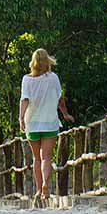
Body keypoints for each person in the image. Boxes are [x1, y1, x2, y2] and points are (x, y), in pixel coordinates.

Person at [19, 49, 74, 198]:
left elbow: (24, 100)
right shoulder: (53, 78)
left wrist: (21, 119)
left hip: (33, 124)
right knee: (46, 157)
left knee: (37, 158)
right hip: (50, 123)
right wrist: (65, 114)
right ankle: (46, 187)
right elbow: (60, 99)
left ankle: (38, 189)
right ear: (47, 61)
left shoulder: (27, 80)